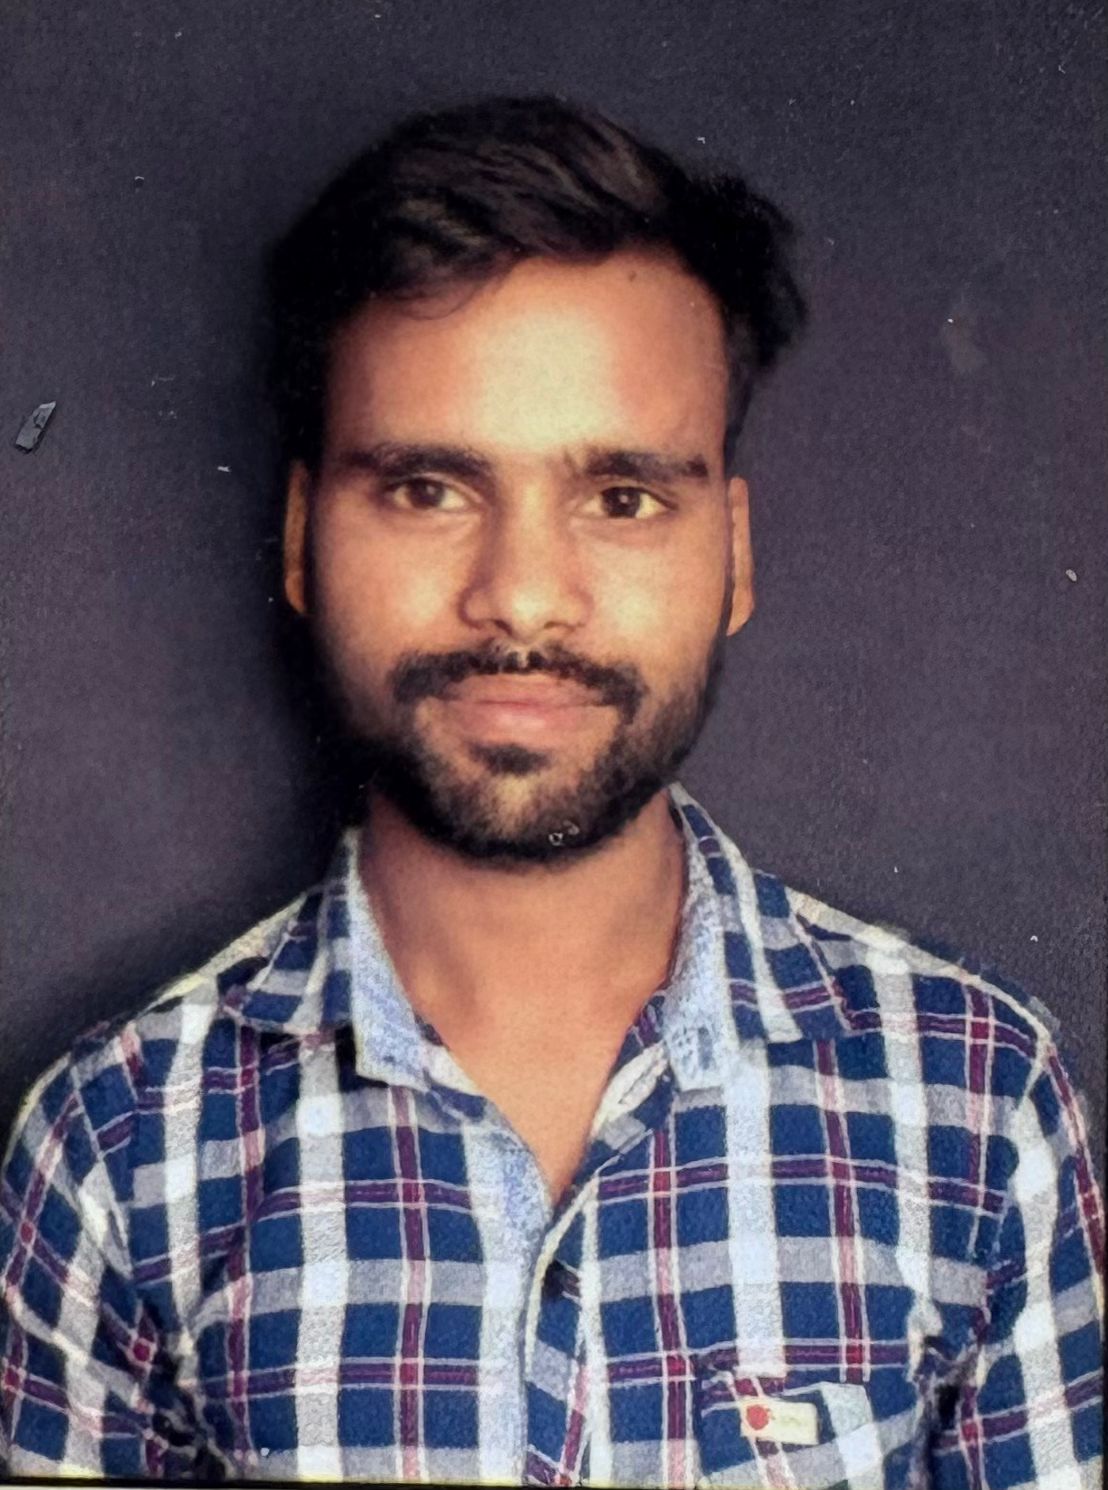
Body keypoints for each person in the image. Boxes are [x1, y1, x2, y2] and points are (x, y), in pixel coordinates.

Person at [0, 94, 1102, 1489]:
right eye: (427, 488)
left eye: (622, 497)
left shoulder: (978, 1102)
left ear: (734, 554)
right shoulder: (113, 1155)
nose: (522, 595)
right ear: (299, 537)